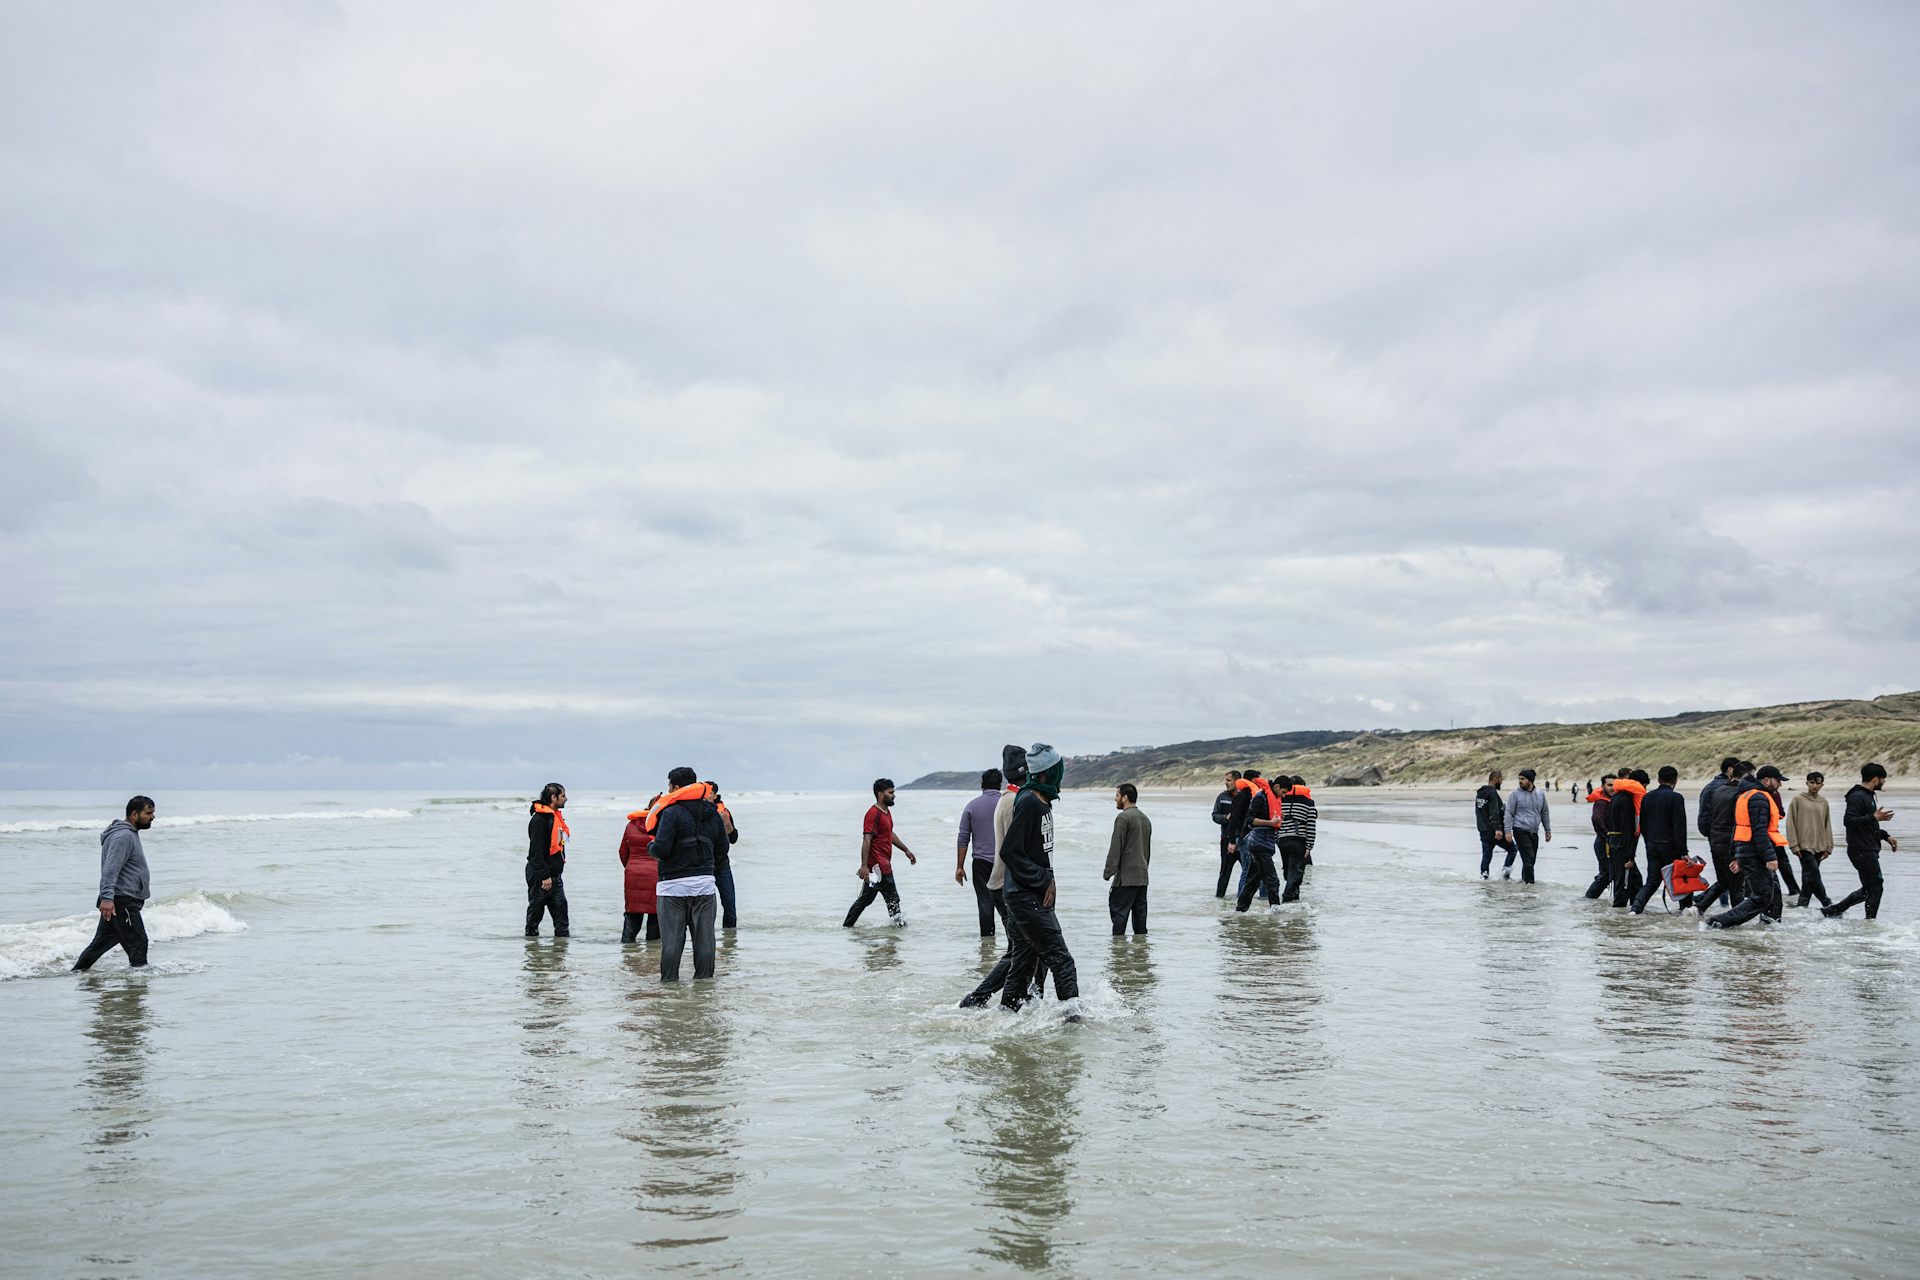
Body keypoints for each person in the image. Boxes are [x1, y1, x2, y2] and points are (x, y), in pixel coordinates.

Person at [998, 744, 1081, 1017]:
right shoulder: (1029, 801)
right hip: (1024, 896)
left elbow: (1039, 852)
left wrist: (1049, 878)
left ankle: (1004, 1017)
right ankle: (1072, 1025)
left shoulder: (1042, 800)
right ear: (1047, 772)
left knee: (1023, 962)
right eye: (1058, 769)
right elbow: (1010, 851)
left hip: (1028, 893)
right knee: (1062, 961)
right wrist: (1044, 878)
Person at [960, 746, 1045, 1007]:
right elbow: (1014, 851)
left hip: (1001, 878)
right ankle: (985, 998)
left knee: (1028, 947)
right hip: (1009, 884)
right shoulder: (1011, 802)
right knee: (1022, 948)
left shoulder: (1011, 799)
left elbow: (964, 838)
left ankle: (1025, 998)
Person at [650, 766, 728, 980]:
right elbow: (723, 849)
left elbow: (661, 849)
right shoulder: (712, 812)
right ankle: (704, 989)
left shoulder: (670, 813)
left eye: (669, 787)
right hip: (704, 886)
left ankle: (670, 988)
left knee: (672, 944)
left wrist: (651, 848)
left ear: (675, 788)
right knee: (705, 943)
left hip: (672, 887)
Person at [73, 797, 156, 972]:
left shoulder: (129, 833)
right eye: (148, 813)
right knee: (138, 943)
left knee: (100, 944)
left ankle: (77, 974)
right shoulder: (123, 836)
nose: (153, 817)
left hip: (119, 900)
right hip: (121, 901)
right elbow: (110, 869)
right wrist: (107, 898)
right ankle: (138, 985)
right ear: (134, 814)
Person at [1709, 766, 1792, 929]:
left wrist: (1735, 856)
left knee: (1774, 893)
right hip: (1755, 853)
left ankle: (1770, 926)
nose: (1780, 785)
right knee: (1762, 896)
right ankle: (1717, 922)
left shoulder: (1747, 795)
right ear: (1766, 780)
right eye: (1777, 781)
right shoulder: (1758, 798)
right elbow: (1758, 830)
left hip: (1748, 851)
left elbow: (1736, 827)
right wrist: (1769, 857)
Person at [1825, 763, 1899, 919]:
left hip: (1866, 849)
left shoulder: (1867, 795)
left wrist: (1886, 836)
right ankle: (1870, 923)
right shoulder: (1857, 797)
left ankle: (1834, 911)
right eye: (1883, 779)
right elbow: (1848, 821)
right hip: (1861, 850)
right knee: (1876, 887)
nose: (1884, 782)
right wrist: (1873, 817)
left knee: (1868, 889)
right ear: (1875, 779)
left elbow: (1869, 826)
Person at [844, 778, 918, 927]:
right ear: (880, 794)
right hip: (878, 867)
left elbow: (889, 834)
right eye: (890, 792)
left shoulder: (886, 812)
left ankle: (847, 927)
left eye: (893, 792)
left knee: (866, 899)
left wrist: (906, 850)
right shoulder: (873, 813)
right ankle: (899, 930)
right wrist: (864, 865)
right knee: (893, 899)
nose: (894, 795)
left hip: (880, 866)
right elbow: (867, 839)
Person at [1695, 760, 1754, 913]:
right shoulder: (1739, 795)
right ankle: (1736, 918)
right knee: (1736, 886)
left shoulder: (1718, 790)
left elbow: (1707, 817)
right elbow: (1738, 822)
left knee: (1724, 882)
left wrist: (1710, 835)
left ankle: (1698, 908)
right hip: (1731, 843)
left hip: (1716, 841)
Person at [1631, 766, 1689, 913]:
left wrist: (1649, 842)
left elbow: (1642, 823)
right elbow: (1679, 826)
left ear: (1658, 780)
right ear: (1675, 780)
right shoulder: (1676, 798)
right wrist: (1683, 852)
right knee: (1680, 878)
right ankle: (1686, 910)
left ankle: (1635, 909)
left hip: (1652, 845)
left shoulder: (1647, 797)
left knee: (1652, 881)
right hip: (1670, 846)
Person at [956, 769, 1004, 937]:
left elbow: (963, 838)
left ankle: (987, 944)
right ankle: (1014, 943)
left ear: (982, 784)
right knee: (1007, 904)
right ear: (1000, 784)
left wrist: (960, 867)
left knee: (985, 903)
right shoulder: (1008, 804)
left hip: (981, 863)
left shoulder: (972, 806)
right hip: (1005, 862)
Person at [1103, 783, 1152, 935]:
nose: (1115, 799)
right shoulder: (1145, 819)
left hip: (1126, 879)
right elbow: (1147, 851)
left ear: (1125, 797)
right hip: (1142, 878)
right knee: (1140, 925)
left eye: (1117, 795)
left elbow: (1116, 846)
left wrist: (1108, 871)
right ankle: (1141, 949)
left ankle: (1118, 950)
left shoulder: (1123, 818)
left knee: (1119, 919)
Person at [1234, 772, 1284, 912]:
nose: (1284, 795)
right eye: (1283, 792)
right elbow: (1250, 820)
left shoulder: (1274, 798)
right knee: (1273, 881)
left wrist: (1278, 819)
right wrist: (1271, 822)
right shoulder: (1260, 797)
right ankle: (1276, 913)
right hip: (1258, 844)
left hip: (1264, 844)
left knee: (1252, 881)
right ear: (1277, 786)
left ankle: (1240, 911)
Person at [525, 783, 570, 938]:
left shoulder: (555, 817)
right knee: (535, 916)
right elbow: (535, 853)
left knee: (562, 919)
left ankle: (561, 951)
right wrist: (544, 876)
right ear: (553, 797)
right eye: (563, 796)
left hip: (555, 876)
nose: (566, 799)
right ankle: (532, 948)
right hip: (540, 876)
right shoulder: (539, 820)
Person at [1226, 769, 1275, 903]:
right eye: (1259, 779)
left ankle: (1261, 899)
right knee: (1248, 870)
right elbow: (1234, 819)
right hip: (1245, 838)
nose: (1261, 782)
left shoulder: (1257, 796)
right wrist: (1232, 840)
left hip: (1254, 837)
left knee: (1258, 870)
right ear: (1254, 780)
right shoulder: (1244, 796)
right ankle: (1243, 899)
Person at [1787, 772, 1835, 910]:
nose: (1814, 786)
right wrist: (1794, 845)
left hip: (1820, 845)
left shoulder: (1823, 802)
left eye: (1818, 783)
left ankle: (1802, 906)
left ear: (1822, 785)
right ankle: (1827, 903)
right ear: (1807, 783)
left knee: (1808, 877)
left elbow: (1827, 824)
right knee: (1813, 874)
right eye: (1812, 783)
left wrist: (1829, 847)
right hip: (1804, 846)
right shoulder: (1798, 799)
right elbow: (1790, 823)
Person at [618, 798, 662, 943]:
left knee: (632, 913)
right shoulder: (662, 825)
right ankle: (652, 950)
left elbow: (623, 851)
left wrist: (630, 866)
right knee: (655, 915)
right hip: (656, 875)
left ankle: (627, 948)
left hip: (633, 874)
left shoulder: (631, 825)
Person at [1275, 775, 1318, 902]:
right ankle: (1287, 898)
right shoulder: (1309, 803)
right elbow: (1311, 826)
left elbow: (1276, 821)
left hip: (1283, 840)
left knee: (1288, 871)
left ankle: (1294, 898)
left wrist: (1277, 840)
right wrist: (1309, 846)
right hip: (1299, 841)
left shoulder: (1280, 800)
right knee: (1296, 872)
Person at [1505, 768, 1551, 883]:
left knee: (1530, 861)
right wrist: (1507, 831)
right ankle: (1531, 886)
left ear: (1530, 780)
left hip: (1534, 832)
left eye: (1523, 779)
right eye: (1519, 779)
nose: (1520, 781)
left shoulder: (1540, 794)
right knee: (1528, 860)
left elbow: (1544, 812)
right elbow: (1509, 812)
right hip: (1520, 830)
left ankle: (1524, 883)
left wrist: (1547, 830)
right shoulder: (1515, 794)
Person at [707, 782, 741, 929]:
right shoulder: (697, 811)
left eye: (709, 792)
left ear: (715, 795)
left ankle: (730, 938)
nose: (706, 795)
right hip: (703, 866)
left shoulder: (724, 811)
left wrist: (727, 822)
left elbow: (733, 839)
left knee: (730, 905)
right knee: (705, 908)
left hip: (722, 865)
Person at [1582, 776, 1616, 897]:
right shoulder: (1601, 802)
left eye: (1614, 785)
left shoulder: (1614, 800)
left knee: (1608, 873)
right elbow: (1596, 819)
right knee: (1606, 874)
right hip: (1603, 843)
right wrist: (1608, 835)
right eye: (1609, 785)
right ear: (1602, 787)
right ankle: (1588, 898)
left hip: (1610, 841)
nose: (1612, 788)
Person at [1212, 770, 1242, 897]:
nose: (1226, 783)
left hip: (1243, 841)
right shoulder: (1222, 797)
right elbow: (1214, 816)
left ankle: (1243, 899)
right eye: (1226, 780)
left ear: (1237, 781)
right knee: (1224, 872)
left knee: (1249, 872)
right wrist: (1225, 817)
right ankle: (1219, 900)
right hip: (1226, 840)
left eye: (1228, 780)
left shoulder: (1246, 797)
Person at [1474, 770, 1508, 880]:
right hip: (1493, 830)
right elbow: (1494, 813)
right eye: (1501, 779)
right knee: (1513, 849)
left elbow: (1479, 812)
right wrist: (1498, 829)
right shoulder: (1492, 793)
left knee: (1486, 855)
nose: (1501, 782)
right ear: (1496, 779)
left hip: (1483, 830)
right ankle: (1505, 875)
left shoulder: (1480, 793)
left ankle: (1484, 878)